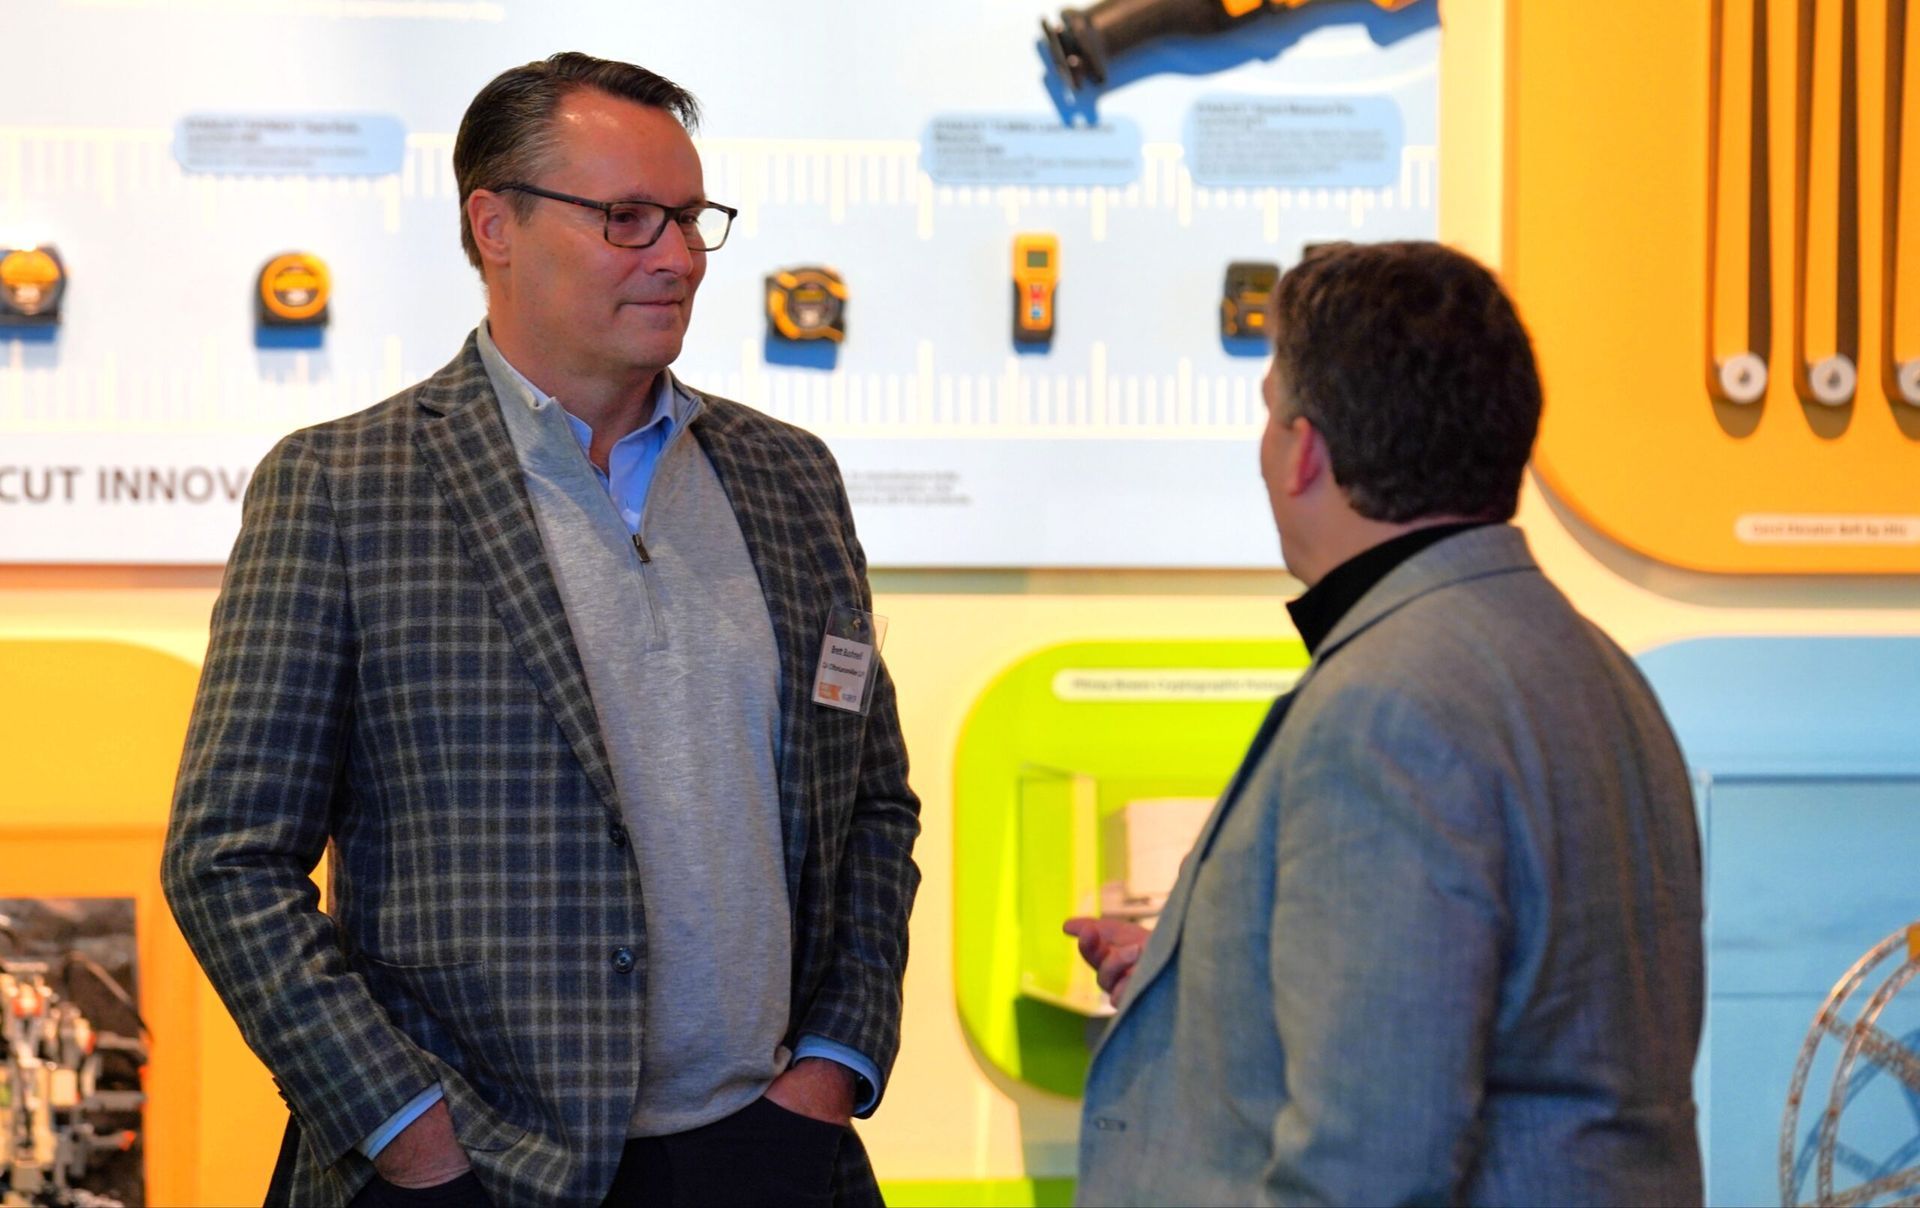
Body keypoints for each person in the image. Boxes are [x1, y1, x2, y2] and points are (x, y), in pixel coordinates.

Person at [162, 52, 920, 1208]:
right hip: (468, 1167)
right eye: (628, 219)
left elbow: (870, 802)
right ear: (494, 225)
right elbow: (228, 858)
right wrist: (408, 1137)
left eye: (690, 218)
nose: (679, 257)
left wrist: (830, 1069)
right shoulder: (343, 486)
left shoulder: (789, 477)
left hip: (767, 1152)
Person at [1066, 241, 1704, 1206]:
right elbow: (1527, 1015)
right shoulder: (1593, 664)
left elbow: (1371, 1160)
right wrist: (1201, 985)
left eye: (1271, 411)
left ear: (1305, 451)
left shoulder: (1388, 710)